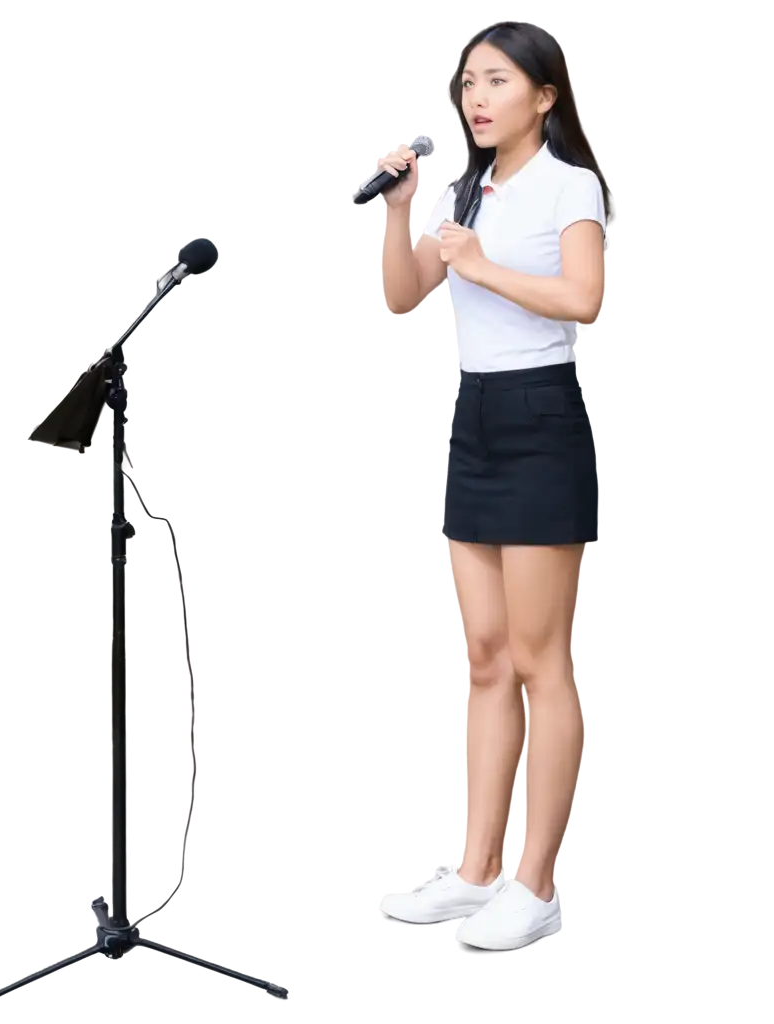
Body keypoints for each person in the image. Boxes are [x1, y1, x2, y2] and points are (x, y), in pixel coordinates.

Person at [374, 17, 612, 952]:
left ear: (543, 97)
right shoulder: (465, 191)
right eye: (468, 80)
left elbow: (585, 298)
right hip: (472, 417)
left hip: (542, 420)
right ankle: (474, 875)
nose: (477, 97)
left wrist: (485, 265)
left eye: (498, 80)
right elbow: (403, 299)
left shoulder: (570, 184)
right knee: (483, 658)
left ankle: (536, 882)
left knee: (538, 662)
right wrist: (404, 207)